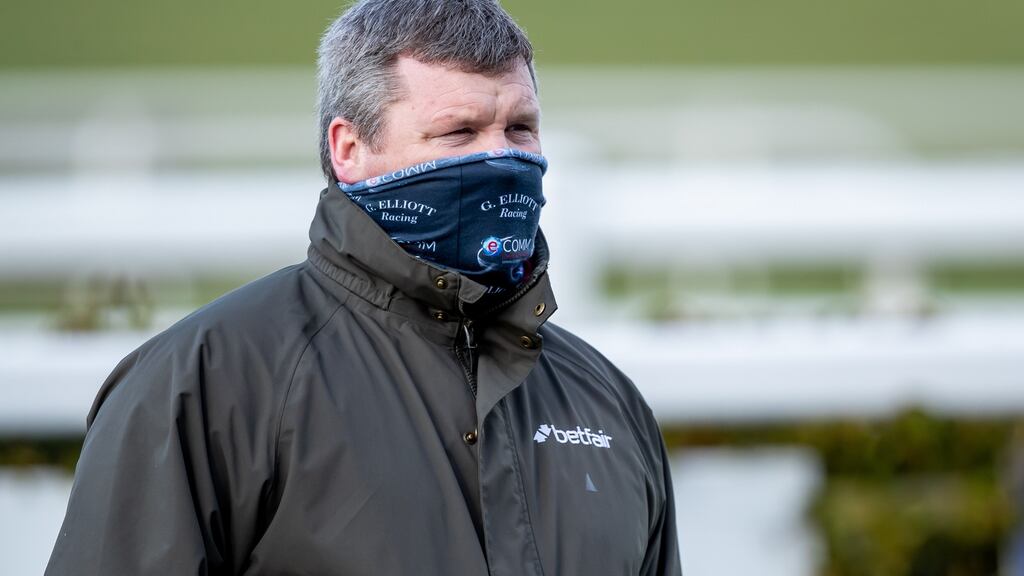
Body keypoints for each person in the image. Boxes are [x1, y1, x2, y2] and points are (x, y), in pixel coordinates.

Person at [45, 1, 682, 574]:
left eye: (520, 128)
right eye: (458, 132)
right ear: (348, 148)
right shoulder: (205, 385)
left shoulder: (607, 400)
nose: (502, 158)